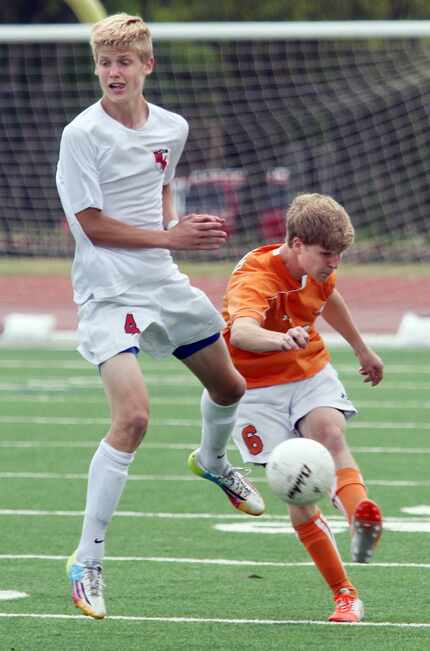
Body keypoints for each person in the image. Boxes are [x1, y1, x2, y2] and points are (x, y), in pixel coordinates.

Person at [56, 13, 264, 621]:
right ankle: (87, 558)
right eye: (105, 62)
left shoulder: (173, 127)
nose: (113, 72)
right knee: (134, 417)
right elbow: (89, 224)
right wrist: (170, 238)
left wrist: (174, 236)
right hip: (106, 292)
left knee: (231, 386)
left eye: (125, 61)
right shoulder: (82, 134)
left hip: (161, 282)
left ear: (147, 65)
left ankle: (214, 461)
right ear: (97, 69)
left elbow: (162, 189)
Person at [221, 193, 384, 623]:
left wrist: (362, 349)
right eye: (326, 254)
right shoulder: (255, 278)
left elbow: (329, 298)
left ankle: (359, 520)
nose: (334, 263)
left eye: (340, 255)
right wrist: (280, 339)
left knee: (330, 434)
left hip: (308, 371)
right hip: (256, 390)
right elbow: (241, 333)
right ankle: (344, 594)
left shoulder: (321, 271)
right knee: (298, 493)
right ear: (295, 243)